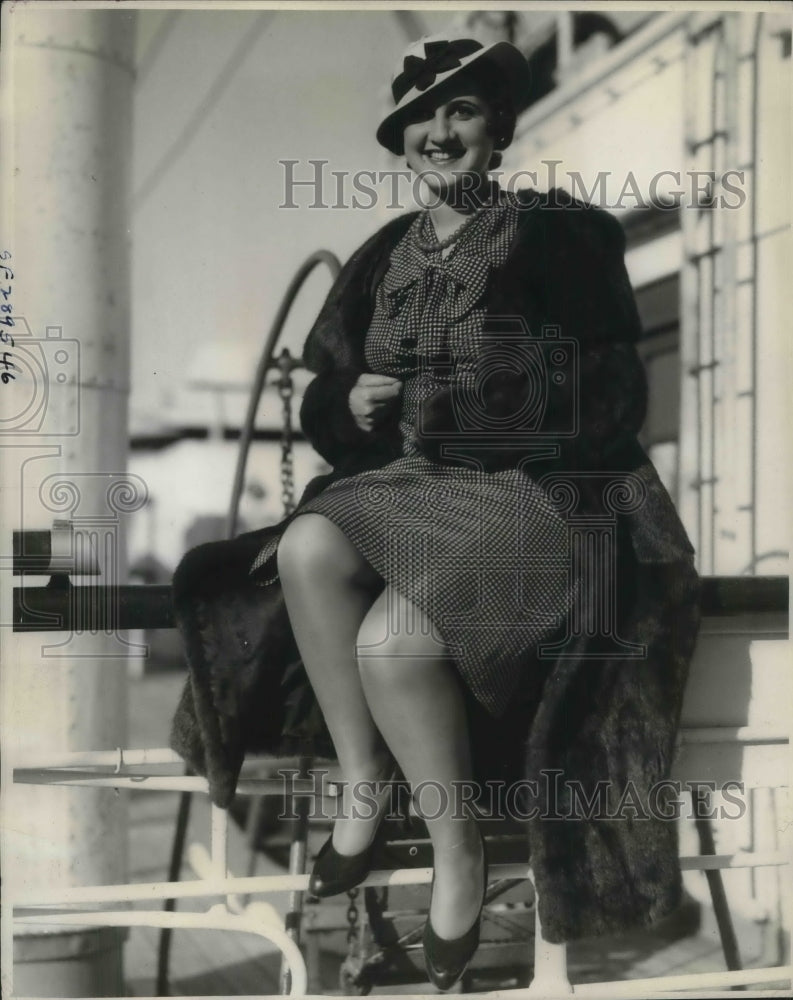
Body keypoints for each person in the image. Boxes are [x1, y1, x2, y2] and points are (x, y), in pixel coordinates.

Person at [170, 32, 700, 991]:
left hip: (549, 496)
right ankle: (363, 779)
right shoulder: (378, 258)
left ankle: (462, 852)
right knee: (306, 546)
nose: (439, 133)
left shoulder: (560, 233)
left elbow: (615, 394)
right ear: (401, 140)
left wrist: (477, 395)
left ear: (494, 128)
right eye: (421, 118)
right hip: (417, 495)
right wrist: (345, 404)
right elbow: (323, 392)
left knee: (392, 645)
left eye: (460, 112)